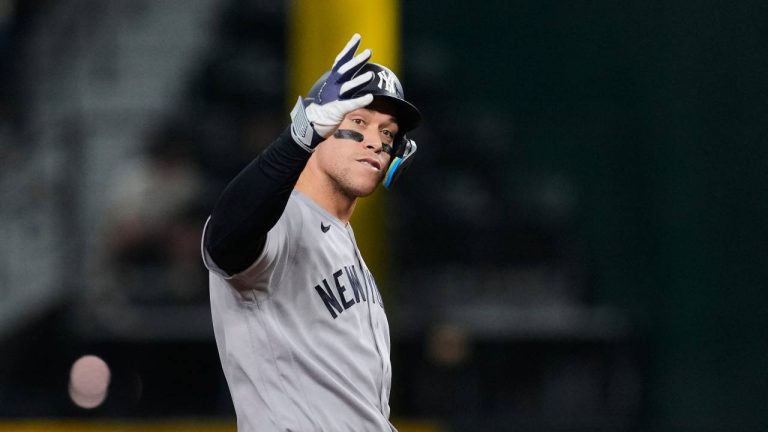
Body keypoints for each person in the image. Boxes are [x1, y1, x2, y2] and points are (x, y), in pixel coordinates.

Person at [201, 34, 421, 431]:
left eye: (388, 134)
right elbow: (224, 241)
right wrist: (299, 136)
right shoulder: (282, 219)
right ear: (320, 126)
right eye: (358, 121)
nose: (375, 141)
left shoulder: (341, 237)